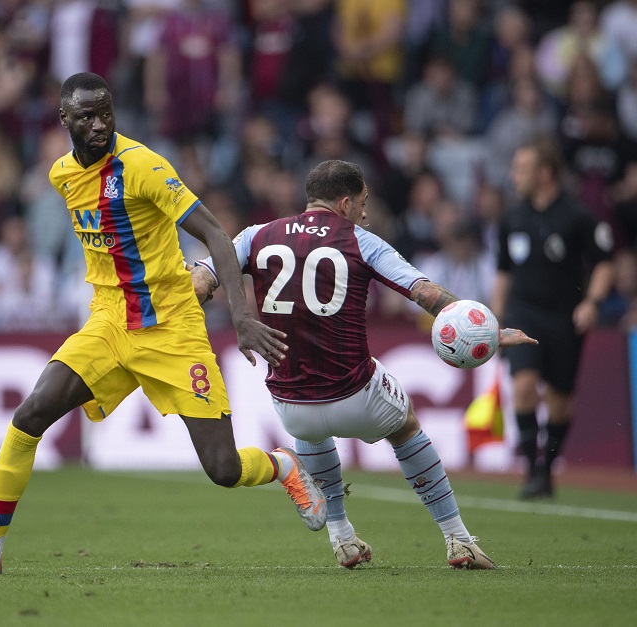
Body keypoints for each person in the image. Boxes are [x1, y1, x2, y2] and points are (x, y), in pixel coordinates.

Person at [0, 72, 326, 576]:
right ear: (64, 120)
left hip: (173, 329)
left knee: (224, 470)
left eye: (106, 113)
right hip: (108, 325)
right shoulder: (61, 175)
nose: (98, 125)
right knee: (30, 414)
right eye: (86, 117)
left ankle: (283, 465)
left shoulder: (143, 166)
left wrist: (242, 315)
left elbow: (217, 236)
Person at [190, 159, 538, 569]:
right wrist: (485, 330)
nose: (365, 212)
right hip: (354, 393)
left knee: (313, 429)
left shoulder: (256, 235)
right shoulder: (359, 240)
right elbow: (424, 294)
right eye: (362, 202)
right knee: (405, 424)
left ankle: (342, 538)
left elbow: (200, 281)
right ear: (344, 202)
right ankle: (458, 540)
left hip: (289, 404)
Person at [491, 137, 615, 499]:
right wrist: (496, 320)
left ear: (545, 173)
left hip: (563, 318)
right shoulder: (511, 217)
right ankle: (532, 470)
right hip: (522, 314)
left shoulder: (577, 215)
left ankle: (548, 468)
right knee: (524, 388)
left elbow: (604, 262)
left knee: (560, 401)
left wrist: (591, 301)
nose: (514, 176)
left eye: (522, 169)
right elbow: (502, 273)